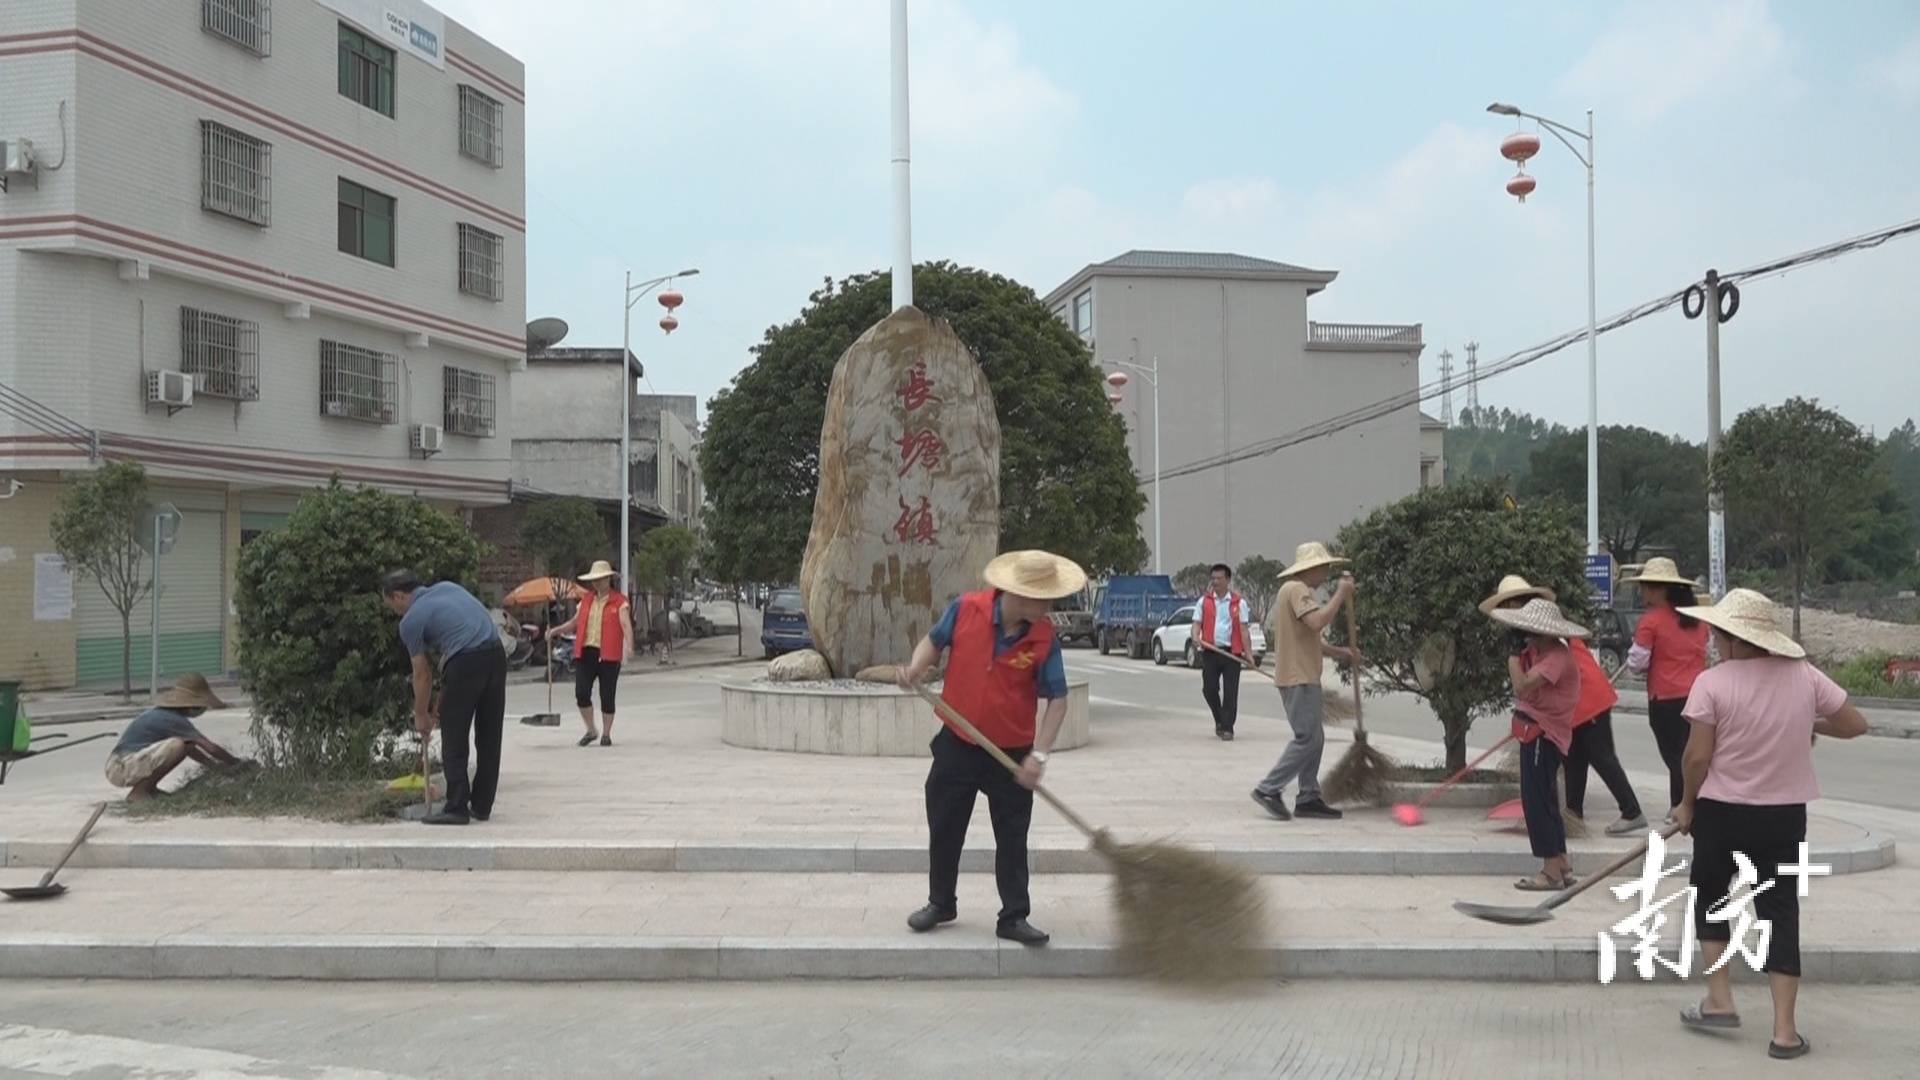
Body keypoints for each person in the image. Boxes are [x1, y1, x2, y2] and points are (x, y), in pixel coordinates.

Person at [1673, 588, 1867, 1060]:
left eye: (1719, 633)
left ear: (1737, 638)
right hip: (1783, 817)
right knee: (1780, 913)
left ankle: (1720, 1000)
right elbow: (1855, 723)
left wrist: (1685, 804)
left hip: (1721, 812)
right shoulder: (1804, 677)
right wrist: (1808, 723)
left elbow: (1698, 755)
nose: (1716, 641)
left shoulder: (1712, 683)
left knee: (1713, 900)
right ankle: (1784, 1032)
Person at [897, 549, 1084, 948]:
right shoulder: (966, 610)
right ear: (1018, 593)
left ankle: (1014, 916)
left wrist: (1040, 755)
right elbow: (933, 642)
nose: (1049, 605)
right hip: (958, 744)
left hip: (1012, 753)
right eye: (1044, 597)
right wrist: (916, 668)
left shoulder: (1043, 636)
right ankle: (941, 902)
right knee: (945, 827)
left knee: (1012, 837)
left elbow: (1059, 700)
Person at [1480, 575, 1646, 836]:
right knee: (1573, 759)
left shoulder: (1545, 631)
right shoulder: (1529, 634)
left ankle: (1631, 810)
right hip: (1569, 707)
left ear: (1516, 604)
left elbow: (1525, 684)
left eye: (1508, 607)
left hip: (1588, 700)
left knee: (1601, 756)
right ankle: (1573, 814)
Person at [383, 570, 508, 826]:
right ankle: (482, 805)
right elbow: (448, 658)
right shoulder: (448, 588)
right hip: (496, 654)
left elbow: (422, 674)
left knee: (454, 734)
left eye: (392, 606)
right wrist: (438, 703)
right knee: (489, 734)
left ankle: (457, 807)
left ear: (398, 595)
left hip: (466, 659)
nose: (395, 612)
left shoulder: (411, 620)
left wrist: (420, 715)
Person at [1487, 597, 1589, 891]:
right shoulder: (1541, 651)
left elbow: (1522, 685)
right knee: (1546, 800)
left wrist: (1511, 657)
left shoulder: (1556, 657)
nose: (1526, 636)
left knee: (1536, 805)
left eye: (1530, 631)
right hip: (1538, 732)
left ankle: (1550, 872)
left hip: (1544, 736)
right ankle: (1562, 864)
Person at [1251, 542, 1356, 822]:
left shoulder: (1298, 592)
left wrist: (1341, 653)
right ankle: (1269, 788)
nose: (1326, 572)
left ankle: (1308, 796)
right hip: (1298, 677)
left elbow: (1312, 639)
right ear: (1312, 568)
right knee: (1307, 738)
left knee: (1315, 738)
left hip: (1303, 675)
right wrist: (1341, 594)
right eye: (1324, 567)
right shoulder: (1296, 589)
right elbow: (1317, 622)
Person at [1623, 558, 1711, 822]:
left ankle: (1681, 805)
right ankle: (1693, 801)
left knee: (1675, 755)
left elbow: (1637, 663)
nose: (1642, 593)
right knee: (1690, 751)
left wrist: (1630, 659)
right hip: (1697, 695)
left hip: (1665, 698)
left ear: (1657, 589)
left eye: (1644, 587)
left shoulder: (1651, 622)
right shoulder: (1698, 621)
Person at [103, 673, 242, 800]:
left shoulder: (164, 713)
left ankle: (150, 788)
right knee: (177, 746)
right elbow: (211, 748)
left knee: (184, 745)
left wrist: (214, 767)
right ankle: (139, 792)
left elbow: (191, 749)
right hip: (121, 767)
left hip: (122, 763)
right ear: (190, 706)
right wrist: (236, 763)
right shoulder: (173, 719)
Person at [549, 560, 634, 747]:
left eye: (602, 579)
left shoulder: (619, 601)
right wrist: (555, 631)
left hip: (609, 654)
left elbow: (625, 624)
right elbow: (574, 623)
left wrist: (629, 644)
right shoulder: (586, 600)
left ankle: (606, 733)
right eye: (595, 580)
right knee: (581, 692)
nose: (598, 583)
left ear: (608, 580)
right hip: (586, 651)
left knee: (607, 694)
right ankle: (591, 729)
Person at [1195, 563, 1253, 741]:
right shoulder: (1204, 601)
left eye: (1219, 578)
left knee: (1230, 692)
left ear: (1228, 580)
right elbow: (1196, 624)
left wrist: (1249, 655)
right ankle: (1219, 719)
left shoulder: (1238, 603)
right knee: (1209, 689)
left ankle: (1227, 727)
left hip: (1231, 653)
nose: (1215, 582)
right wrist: (1196, 636)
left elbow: (1244, 631)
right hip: (1211, 651)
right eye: (1213, 578)